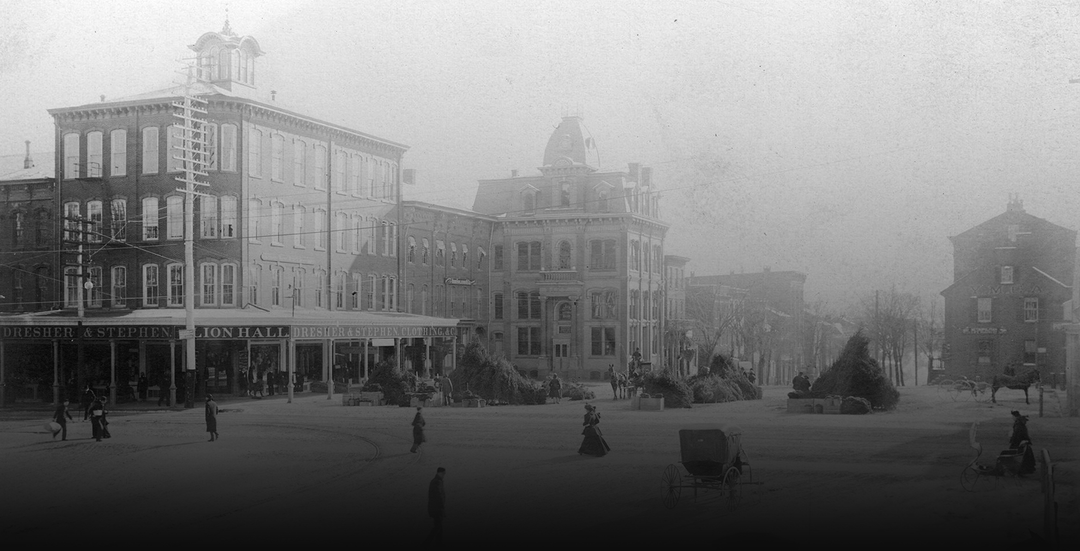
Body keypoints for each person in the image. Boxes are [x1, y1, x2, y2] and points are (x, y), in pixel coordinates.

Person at [1005, 410, 1037, 475]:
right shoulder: (1020, 422)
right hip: (1023, 442)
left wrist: (1013, 441)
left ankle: (1017, 469)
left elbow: (1017, 435)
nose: (1012, 418)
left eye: (1012, 416)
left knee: (1014, 454)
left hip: (1019, 442)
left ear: (1015, 416)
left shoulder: (1018, 424)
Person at [423, 467, 446, 545]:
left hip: (435, 508)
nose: (444, 475)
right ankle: (427, 542)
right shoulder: (437, 482)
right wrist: (442, 507)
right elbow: (439, 496)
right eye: (444, 473)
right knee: (438, 527)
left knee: (439, 527)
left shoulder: (436, 481)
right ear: (440, 473)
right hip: (437, 508)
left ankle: (439, 543)